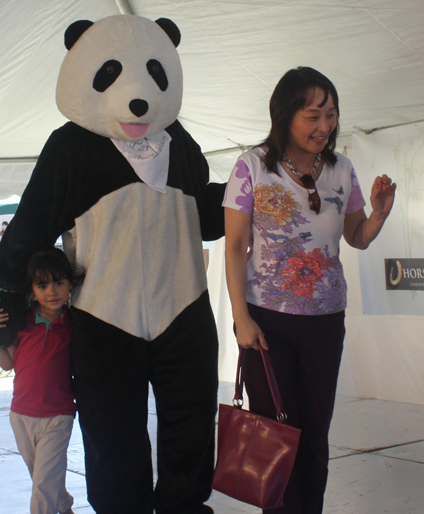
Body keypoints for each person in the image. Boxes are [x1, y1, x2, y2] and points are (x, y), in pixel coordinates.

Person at [223, 66, 396, 514]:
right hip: (267, 322)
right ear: (285, 115)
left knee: (315, 432)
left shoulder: (342, 170)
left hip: (324, 320)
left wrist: (376, 215)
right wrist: (241, 319)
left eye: (332, 115)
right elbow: (236, 245)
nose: (325, 127)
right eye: (313, 115)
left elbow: (356, 236)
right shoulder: (252, 166)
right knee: (277, 431)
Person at [0, 248, 84, 514]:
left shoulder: (74, 324)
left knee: (42, 484)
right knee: (42, 476)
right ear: (32, 288)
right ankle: (63, 505)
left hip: (58, 416)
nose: (51, 291)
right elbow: (8, 363)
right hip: (21, 416)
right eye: (42, 285)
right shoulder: (24, 321)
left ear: (70, 284)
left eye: (58, 282)